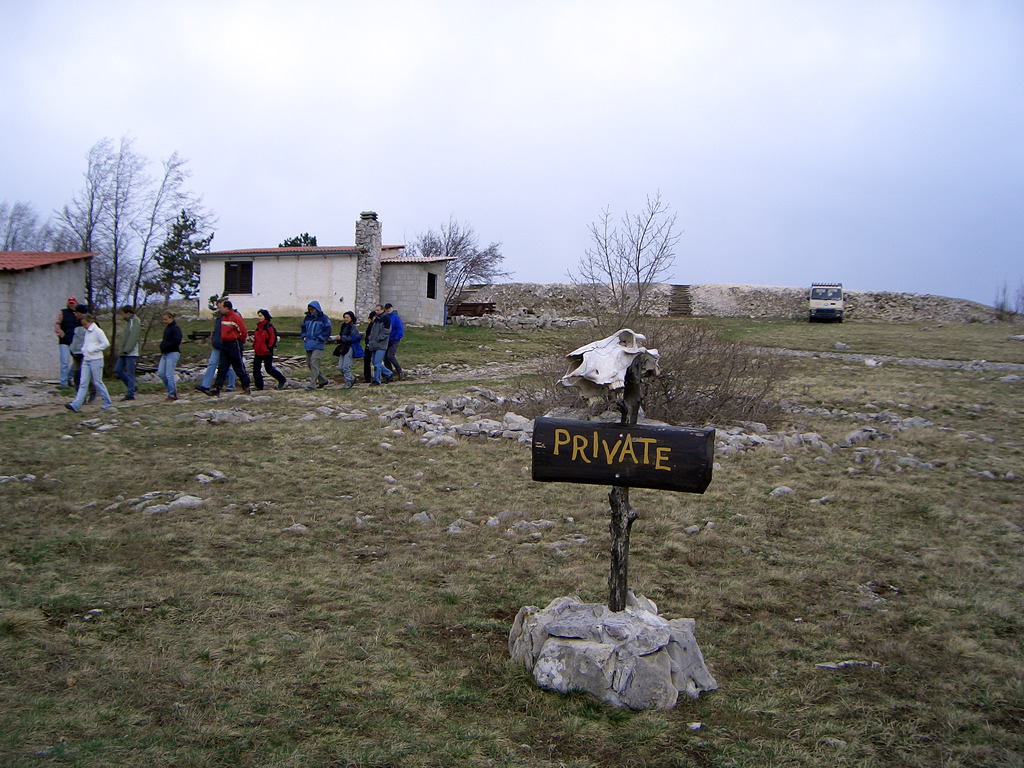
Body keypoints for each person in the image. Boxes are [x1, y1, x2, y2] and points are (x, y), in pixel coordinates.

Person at [66, 313, 113, 412]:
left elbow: (106, 343)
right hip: (86, 359)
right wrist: (84, 350)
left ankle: (107, 402)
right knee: (83, 382)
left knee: (97, 382)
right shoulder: (87, 332)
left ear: (90, 322)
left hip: (96, 359)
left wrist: (93, 349)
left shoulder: (98, 331)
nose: (84, 326)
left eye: (85, 324)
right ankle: (76, 404)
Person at [203, 299, 251, 396]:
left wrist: (240, 342)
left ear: (227, 308)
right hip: (224, 344)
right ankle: (217, 388)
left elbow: (243, 331)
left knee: (238, 367)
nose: (219, 310)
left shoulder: (236, 317)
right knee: (222, 367)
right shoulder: (223, 318)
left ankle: (246, 386)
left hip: (234, 344)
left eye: (221, 307)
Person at [196, 298, 237, 393]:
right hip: (217, 344)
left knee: (228, 366)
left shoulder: (233, 316)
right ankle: (205, 385)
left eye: (221, 307)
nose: (219, 309)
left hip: (226, 345)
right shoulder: (219, 317)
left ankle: (231, 385)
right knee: (212, 364)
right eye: (218, 307)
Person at [300, 301, 332, 390]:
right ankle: (323, 380)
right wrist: (304, 336)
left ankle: (312, 384)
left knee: (314, 363)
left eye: (313, 309)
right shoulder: (307, 318)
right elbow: (303, 328)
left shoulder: (324, 318)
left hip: (318, 344)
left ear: (317, 309)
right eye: (310, 309)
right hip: (309, 343)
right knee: (309, 363)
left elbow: (327, 330)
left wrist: (321, 338)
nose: (311, 311)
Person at [252, 309, 287, 390]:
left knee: (268, 369)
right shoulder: (258, 327)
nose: (259, 318)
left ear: (265, 316)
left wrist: (269, 347)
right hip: (258, 351)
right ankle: (259, 385)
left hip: (267, 351)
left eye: (261, 316)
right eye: (258, 316)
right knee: (256, 369)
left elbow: (273, 337)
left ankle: (282, 379)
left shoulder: (269, 326)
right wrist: (254, 346)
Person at [69, 303, 96, 402]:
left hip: (86, 354)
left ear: (81, 313)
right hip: (76, 353)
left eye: (76, 312)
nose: (75, 314)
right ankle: (80, 397)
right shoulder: (75, 323)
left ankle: (92, 390)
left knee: (85, 375)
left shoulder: (91, 324)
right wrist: (71, 349)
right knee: (76, 375)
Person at [329, 311, 362, 389]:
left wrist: (342, 338)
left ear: (351, 318)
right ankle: (351, 378)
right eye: (344, 317)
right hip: (343, 347)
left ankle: (348, 382)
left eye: (347, 317)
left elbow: (352, 338)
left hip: (350, 347)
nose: (345, 319)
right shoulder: (343, 326)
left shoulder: (353, 328)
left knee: (346, 366)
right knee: (340, 367)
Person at [114, 305, 141, 400]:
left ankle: (130, 393)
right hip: (124, 351)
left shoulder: (135, 321)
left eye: (123, 313)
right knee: (117, 369)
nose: (122, 315)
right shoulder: (128, 322)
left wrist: (127, 349)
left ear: (128, 313)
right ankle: (132, 386)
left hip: (130, 351)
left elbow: (133, 336)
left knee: (130, 372)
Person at [54, 296, 79, 386]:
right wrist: (61, 334)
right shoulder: (62, 312)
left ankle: (69, 377)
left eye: (73, 303)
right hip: (64, 341)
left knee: (77, 360)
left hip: (75, 341)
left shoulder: (78, 314)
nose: (71, 304)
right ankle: (63, 383)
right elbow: (57, 324)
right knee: (65, 362)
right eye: (70, 303)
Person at [158, 311, 182, 401]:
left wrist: (166, 346)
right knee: (161, 373)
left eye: (166, 319)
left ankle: (172, 394)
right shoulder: (167, 328)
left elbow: (177, 341)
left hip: (172, 353)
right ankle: (170, 390)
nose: (164, 321)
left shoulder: (175, 328)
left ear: (171, 318)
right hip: (165, 353)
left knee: (169, 374)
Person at [366, 304, 393, 385]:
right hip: (374, 344)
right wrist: (371, 339)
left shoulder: (386, 318)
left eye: (378, 310)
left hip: (381, 345)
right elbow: (372, 331)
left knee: (377, 363)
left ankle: (377, 380)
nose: (376, 311)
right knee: (375, 363)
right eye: (376, 310)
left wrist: (379, 338)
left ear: (382, 310)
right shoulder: (376, 319)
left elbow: (386, 331)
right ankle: (388, 373)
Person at [383, 302, 405, 380]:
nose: (388, 309)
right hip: (386, 341)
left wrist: (396, 338)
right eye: (386, 308)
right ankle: (389, 375)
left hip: (394, 340)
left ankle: (399, 371)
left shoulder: (396, 318)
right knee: (385, 358)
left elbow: (400, 329)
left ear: (392, 308)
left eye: (389, 308)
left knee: (390, 356)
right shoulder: (385, 317)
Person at [362, 310, 377, 384]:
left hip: (374, 345)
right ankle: (367, 377)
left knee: (375, 362)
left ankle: (379, 376)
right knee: (367, 361)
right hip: (368, 345)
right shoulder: (370, 325)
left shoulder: (377, 325)